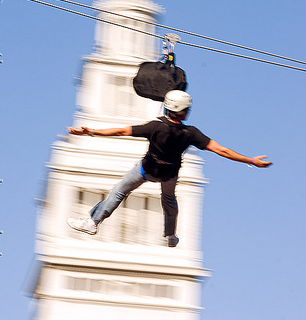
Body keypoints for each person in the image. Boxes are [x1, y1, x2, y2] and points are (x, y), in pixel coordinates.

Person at [67, 90, 272, 247]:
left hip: (146, 170)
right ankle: (171, 236)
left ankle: (93, 223)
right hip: (168, 175)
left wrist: (91, 132)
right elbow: (222, 151)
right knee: (169, 201)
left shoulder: (155, 126)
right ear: (184, 112)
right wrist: (251, 161)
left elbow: (121, 131)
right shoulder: (190, 133)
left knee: (119, 191)